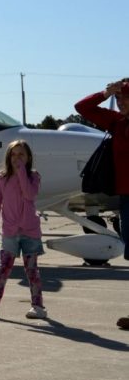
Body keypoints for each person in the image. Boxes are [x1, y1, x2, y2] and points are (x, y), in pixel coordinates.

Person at [74, 79, 129, 330]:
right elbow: (82, 107)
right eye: (120, 99)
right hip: (126, 197)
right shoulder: (116, 122)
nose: (122, 103)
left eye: (127, 98)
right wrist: (106, 92)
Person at [0, 140, 46, 320]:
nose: (17, 158)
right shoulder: (2, 178)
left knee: (32, 270)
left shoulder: (34, 176)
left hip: (30, 231)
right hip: (10, 231)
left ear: (28, 158)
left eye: (21, 155)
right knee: (3, 269)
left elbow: (29, 194)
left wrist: (21, 173)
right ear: (8, 157)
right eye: (14, 154)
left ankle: (38, 306)